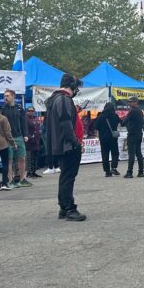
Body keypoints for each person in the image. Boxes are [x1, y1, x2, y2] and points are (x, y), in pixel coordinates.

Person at [45, 74, 86, 221]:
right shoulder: (63, 99)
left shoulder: (55, 99)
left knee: (65, 177)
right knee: (68, 178)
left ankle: (64, 207)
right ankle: (69, 208)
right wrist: (76, 142)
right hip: (67, 145)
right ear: (72, 87)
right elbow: (66, 124)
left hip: (61, 145)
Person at [1, 90, 30, 188]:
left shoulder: (20, 109)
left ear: (13, 96)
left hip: (19, 137)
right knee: (9, 159)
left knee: (22, 158)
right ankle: (10, 180)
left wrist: (25, 134)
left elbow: (24, 123)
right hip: (7, 138)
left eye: (7, 96)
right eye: (4, 96)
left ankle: (22, 179)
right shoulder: (2, 110)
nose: (5, 98)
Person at [121, 97, 144, 178]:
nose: (129, 103)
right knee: (139, 153)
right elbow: (142, 122)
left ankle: (129, 172)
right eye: (129, 102)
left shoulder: (132, 111)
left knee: (131, 153)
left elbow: (124, 122)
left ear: (135, 102)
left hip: (132, 134)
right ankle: (141, 172)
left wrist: (122, 120)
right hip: (139, 133)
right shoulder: (140, 111)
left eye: (131, 102)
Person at [95, 102, 121, 177]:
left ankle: (107, 171)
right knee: (115, 153)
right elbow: (121, 123)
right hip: (113, 138)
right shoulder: (115, 116)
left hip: (103, 138)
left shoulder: (100, 117)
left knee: (105, 154)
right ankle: (113, 167)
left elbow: (96, 128)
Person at [25, 107, 42, 177]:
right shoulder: (25, 119)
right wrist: (29, 137)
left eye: (32, 111)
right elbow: (25, 129)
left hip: (36, 140)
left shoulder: (36, 118)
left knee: (35, 156)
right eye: (29, 111)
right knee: (29, 157)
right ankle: (29, 172)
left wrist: (40, 132)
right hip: (29, 140)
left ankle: (34, 171)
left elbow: (38, 127)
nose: (30, 112)